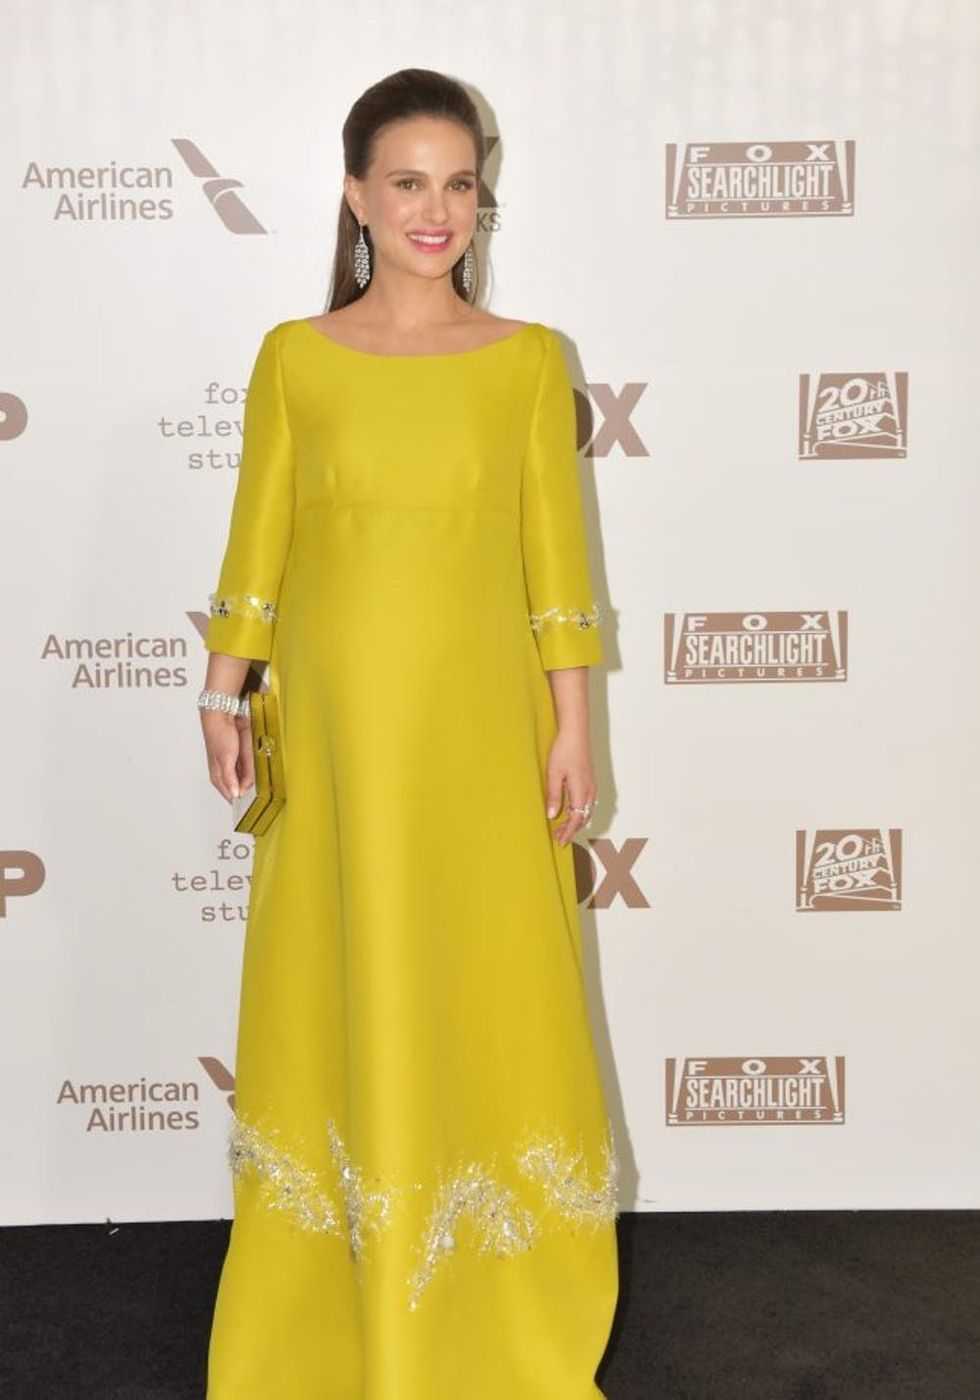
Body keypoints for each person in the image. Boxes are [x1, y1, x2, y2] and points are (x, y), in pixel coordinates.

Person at [198, 66, 620, 1400]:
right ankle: (328, 1308)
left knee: (488, 980)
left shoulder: (526, 361)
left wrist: (574, 727)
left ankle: (490, 1300)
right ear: (355, 195)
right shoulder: (294, 359)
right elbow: (258, 540)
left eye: (458, 182)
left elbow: (555, 570)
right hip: (330, 741)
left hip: (482, 734)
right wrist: (224, 691)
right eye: (408, 182)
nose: (438, 210)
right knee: (340, 970)